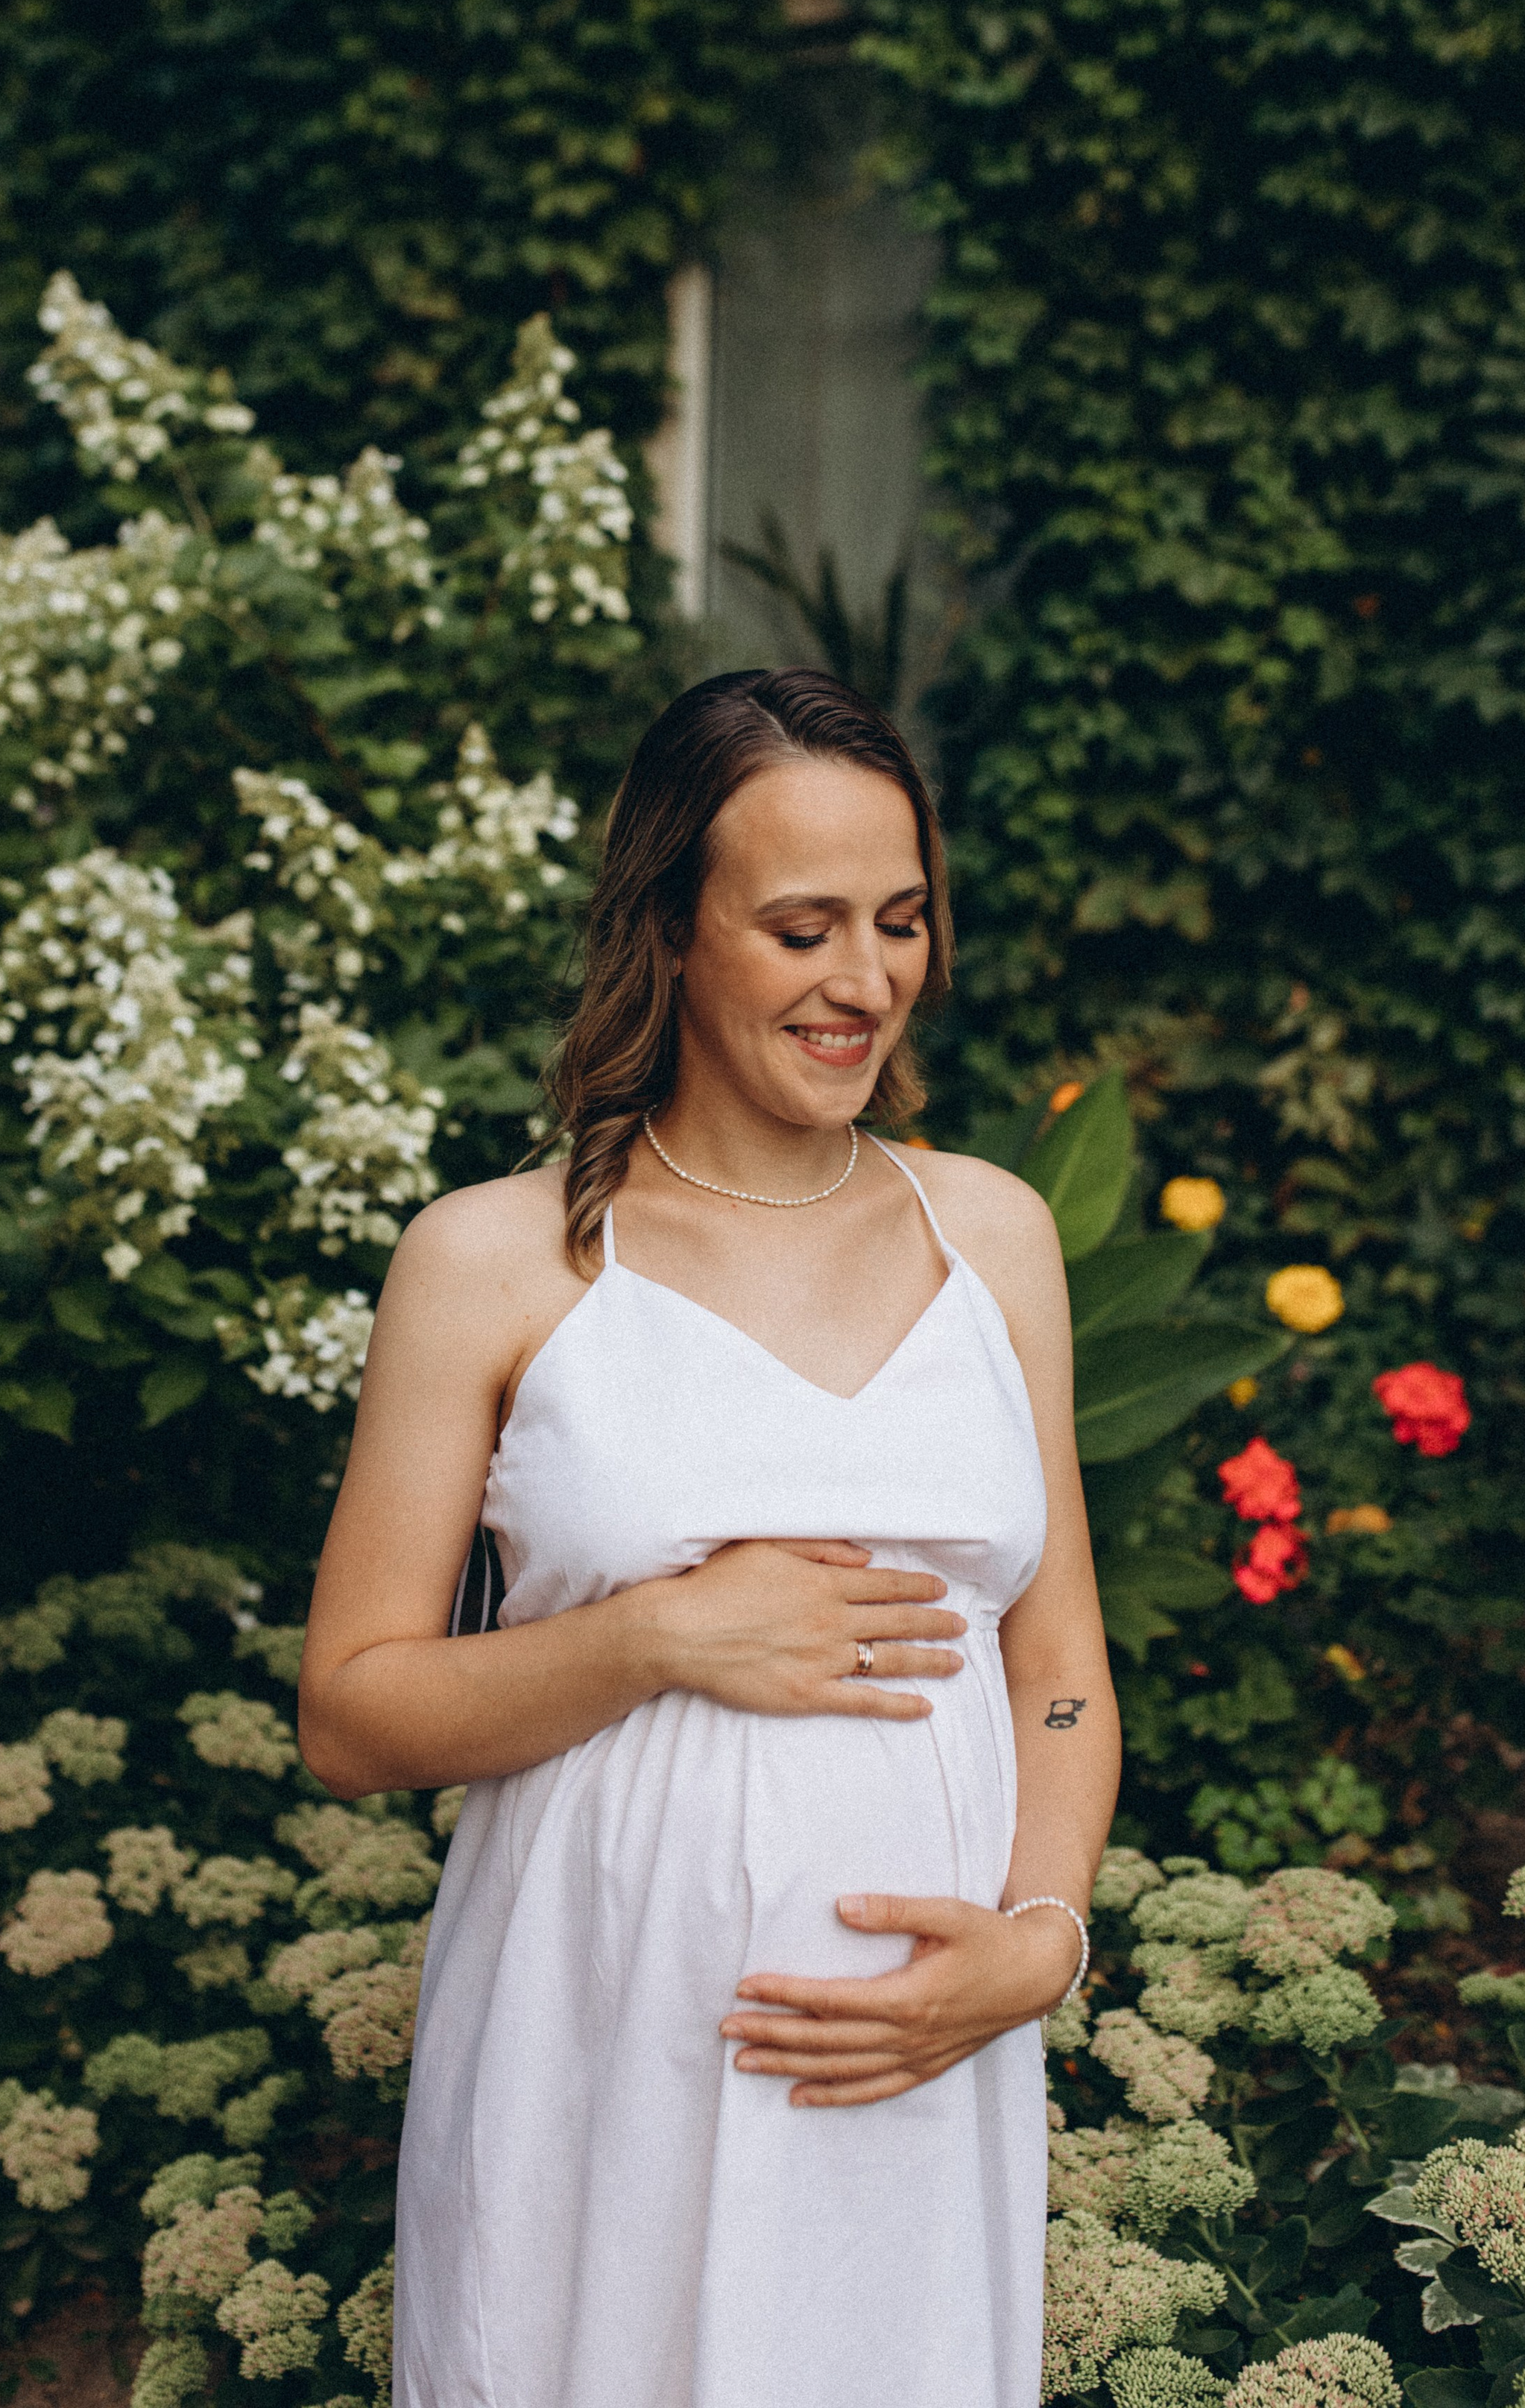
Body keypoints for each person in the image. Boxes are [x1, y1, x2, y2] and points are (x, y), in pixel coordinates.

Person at [297, 666, 1120, 2408]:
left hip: (918, 2069)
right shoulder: (496, 1260)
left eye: (898, 921)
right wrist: (650, 1636)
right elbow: (351, 1713)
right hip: (600, 2055)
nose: (862, 981)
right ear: (668, 929)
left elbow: (1053, 1667)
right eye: (800, 928)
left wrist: (1038, 1937)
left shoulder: (992, 1236)